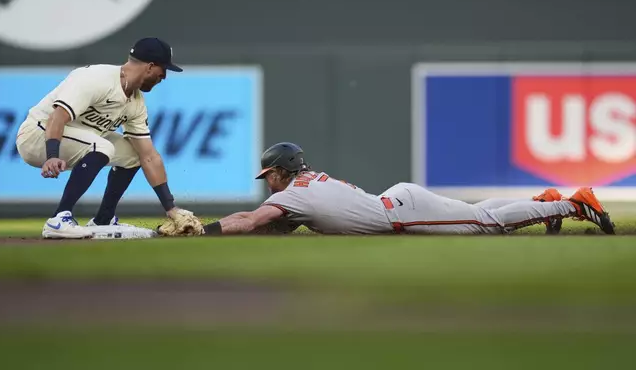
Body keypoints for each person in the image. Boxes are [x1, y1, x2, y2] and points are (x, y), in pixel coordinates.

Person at [190, 142, 615, 237]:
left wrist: (205, 231)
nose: (269, 184)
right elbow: (270, 226)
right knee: (477, 210)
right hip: (399, 201)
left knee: (483, 223)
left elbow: (251, 219)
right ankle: (542, 203)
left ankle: (574, 204)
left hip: (400, 212)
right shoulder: (302, 187)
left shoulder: (289, 196)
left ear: (282, 171)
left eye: (270, 176)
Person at [16, 37, 202, 239]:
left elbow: (149, 156)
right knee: (102, 146)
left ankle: (103, 219)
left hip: (76, 140)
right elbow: (57, 117)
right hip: (37, 136)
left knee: (133, 154)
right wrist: (52, 154)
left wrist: (171, 209)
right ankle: (58, 219)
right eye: (163, 70)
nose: (164, 76)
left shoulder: (136, 103)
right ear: (150, 66)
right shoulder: (97, 78)